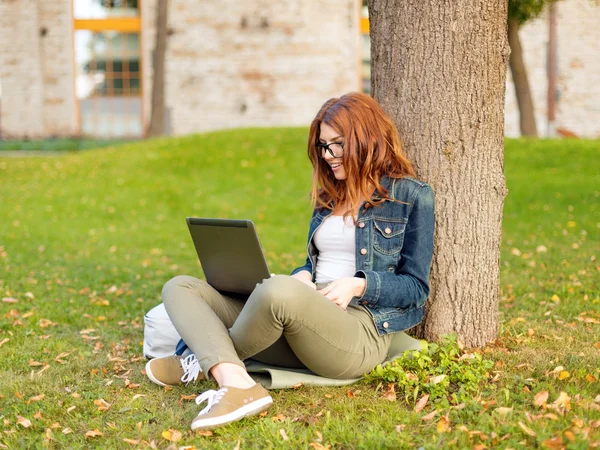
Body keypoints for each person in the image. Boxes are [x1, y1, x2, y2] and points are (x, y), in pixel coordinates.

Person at [144, 92, 435, 431]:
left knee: (277, 290)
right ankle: (235, 379)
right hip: (304, 318)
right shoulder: (330, 197)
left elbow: (416, 287)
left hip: (358, 330)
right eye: (323, 146)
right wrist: (303, 276)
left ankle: (201, 357)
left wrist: (359, 283)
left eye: (336, 144)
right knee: (181, 287)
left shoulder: (411, 195)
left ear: (364, 138)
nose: (328, 156)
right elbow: (315, 262)